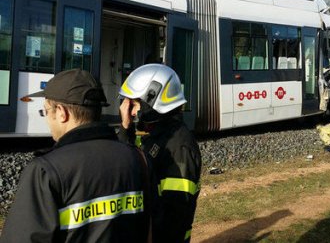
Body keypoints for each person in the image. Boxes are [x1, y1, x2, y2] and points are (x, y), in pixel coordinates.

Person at [0, 69, 151, 243]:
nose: (47, 119)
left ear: (62, 113)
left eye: (46, 111)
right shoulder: (138, 159)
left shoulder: (45, 170)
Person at [117, 63, 201, 243]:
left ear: (152, 100)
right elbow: (127, 165)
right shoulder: (156, 136)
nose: (130, 112)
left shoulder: (179, 148)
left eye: (133, 104)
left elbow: (175, 216)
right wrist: (125, 129)